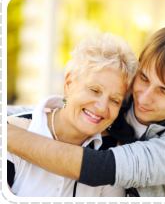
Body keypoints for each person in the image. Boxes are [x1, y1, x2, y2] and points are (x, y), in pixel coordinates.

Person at [7, 25, 165, 197]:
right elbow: (56, 109)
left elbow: (101, 168)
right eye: (144, 78)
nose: (143, 97)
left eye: (164, 91)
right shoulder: (123, 103)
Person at [6, 32, 139, 197]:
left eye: (115, 100)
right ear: (68, 85)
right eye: (94, 90)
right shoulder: (15, 129)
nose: (102, 108)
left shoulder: (111, 153)